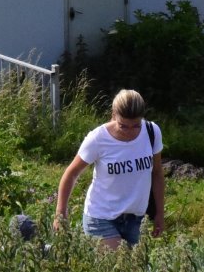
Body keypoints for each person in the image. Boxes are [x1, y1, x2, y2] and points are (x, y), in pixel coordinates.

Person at [54, 88, 166, 250]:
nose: (130, 132)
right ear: (114, 115)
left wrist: (159, 214)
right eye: (123, 126)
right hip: (101, 218)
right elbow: (71, 174)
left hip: (136, 220)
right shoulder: (98, 139)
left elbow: (157, 174)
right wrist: (60, 213)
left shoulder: (151, 132)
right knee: (120, 269)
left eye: (136, 126)